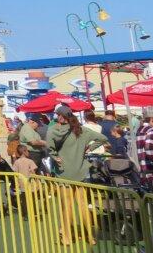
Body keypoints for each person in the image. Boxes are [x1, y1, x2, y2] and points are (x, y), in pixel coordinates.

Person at [48, 105, 108, 246]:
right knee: (82, 205)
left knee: (66, 206)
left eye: (57, 115)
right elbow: (103, 138)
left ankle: (67, 237)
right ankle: (90, 237)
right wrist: (89, 148)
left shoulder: (55, 131)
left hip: (64, 172)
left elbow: (49, 148)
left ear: (61, 116)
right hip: (80, 172)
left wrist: (55, 156)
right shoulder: (83, 130)